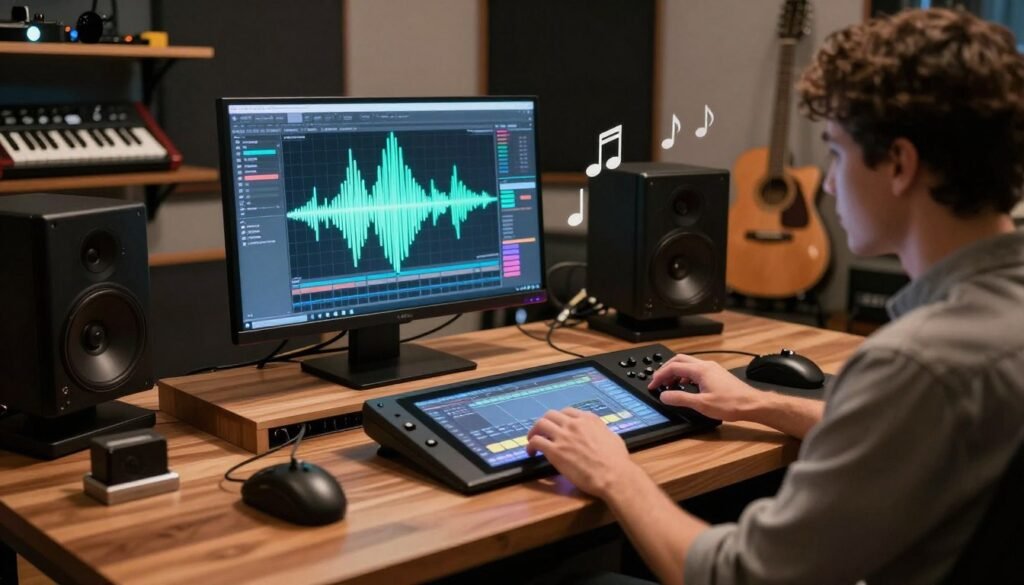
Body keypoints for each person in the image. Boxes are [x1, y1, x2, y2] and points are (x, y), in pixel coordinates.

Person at [526, 8, 1024, 585]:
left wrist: (612, 471)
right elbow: (912, 438)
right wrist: (758, 404)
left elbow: (741, 576)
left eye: (835, 152)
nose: (831, 183)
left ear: (899, 164)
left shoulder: (915, 362)